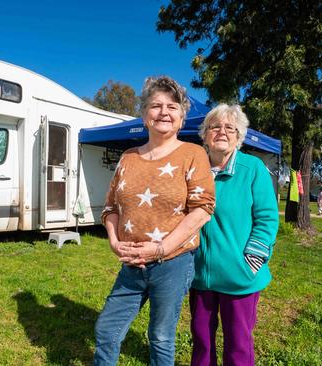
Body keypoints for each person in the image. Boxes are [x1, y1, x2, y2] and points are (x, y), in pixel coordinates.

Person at [93, 76, 216, 365]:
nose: (164, 112)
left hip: (172, 263)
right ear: (145, 115)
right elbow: (110, 207)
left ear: (182, 116)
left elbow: (203, 209)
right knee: (107, 330)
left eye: (172, 107)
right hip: (132, 264)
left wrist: (160, 249)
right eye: (156, 105)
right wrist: (114, 241)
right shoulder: (128, 157)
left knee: (160, 335)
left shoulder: (193, 154)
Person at [190, 104, 279, 366]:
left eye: (230, 128)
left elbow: (267, 219)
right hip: (199, 276)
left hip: (240, 277)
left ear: (239, 136)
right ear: (204, 134)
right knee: (201, 341)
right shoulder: (193, 169)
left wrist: (250, 263)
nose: (222, 132)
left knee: (238, 345)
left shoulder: (253, 168)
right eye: (215, 127)